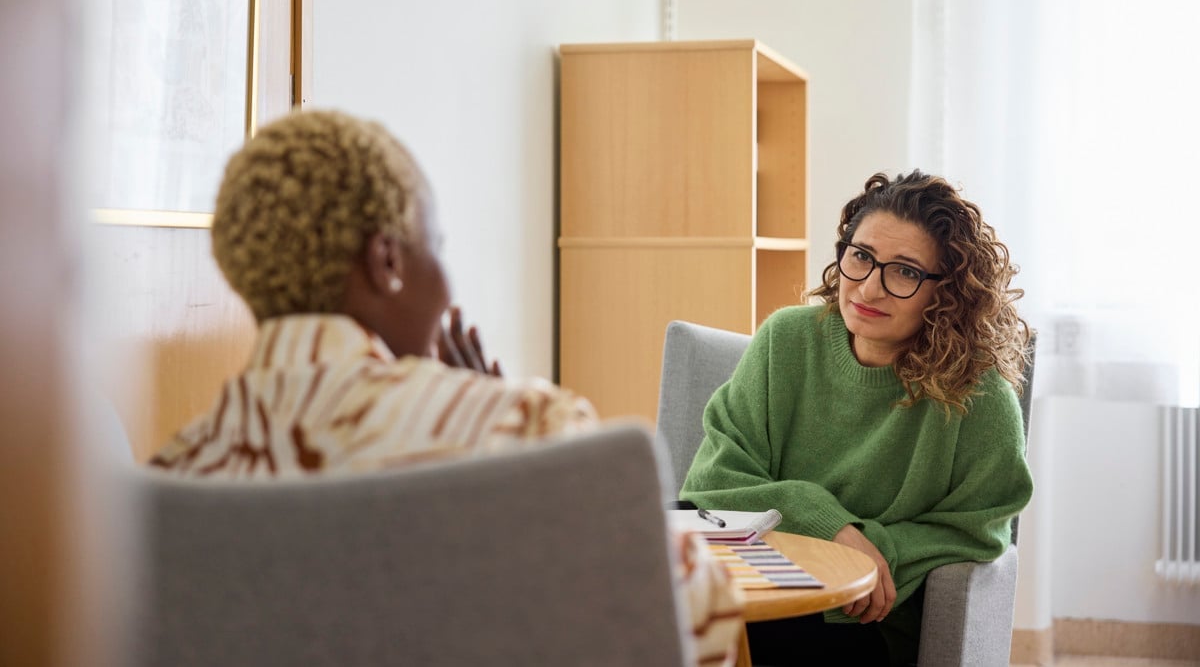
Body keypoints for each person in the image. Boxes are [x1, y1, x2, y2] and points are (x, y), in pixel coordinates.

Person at [147, 109, 743, 666]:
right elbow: (689, 620)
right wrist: (506, 418)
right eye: (437, 247)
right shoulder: (526, 432)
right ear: (387, 261)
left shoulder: (165, 481)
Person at [679, 170, 1034, 665]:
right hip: (748, 585)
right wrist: (833, 527)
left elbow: (978, 529)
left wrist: (873, 551)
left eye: (905, 271)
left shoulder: (977, 397)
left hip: (860, 620)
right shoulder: (786, 339)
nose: (869, 289)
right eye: (861, 257)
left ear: (946, 292)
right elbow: (713, 479)